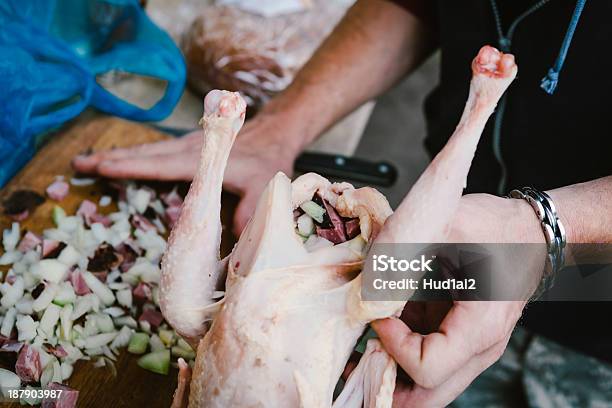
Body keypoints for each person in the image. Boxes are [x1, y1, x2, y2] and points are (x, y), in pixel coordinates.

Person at [73, 1, 612, 405]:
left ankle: (481, 103)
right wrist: (284, 126)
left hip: (596, 314)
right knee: (384, 288)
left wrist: (544, 231)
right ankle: (481, 105)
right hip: (450, 271)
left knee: (191, 306)